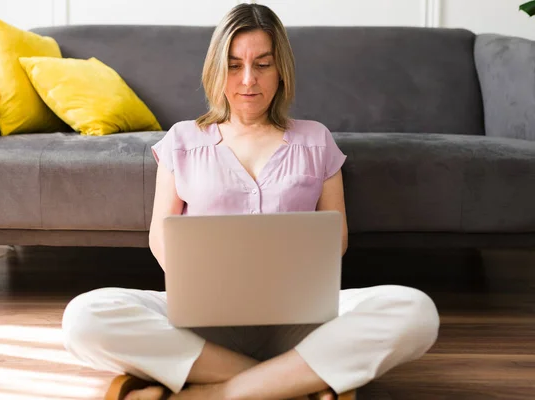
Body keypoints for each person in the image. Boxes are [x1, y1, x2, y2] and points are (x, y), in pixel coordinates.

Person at [61, 4, 440, 400]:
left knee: (415, 311)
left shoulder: (316, 140)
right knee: (84, 319)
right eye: (234, 64)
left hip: (299, 320)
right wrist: (203, 289)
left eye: (262, 64)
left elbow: (335, 240)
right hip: (202, 323)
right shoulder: (183, 140)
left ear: (281, 71)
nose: (248, 80)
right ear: (215, 69)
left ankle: (215, 393)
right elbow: (161, 237)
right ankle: (290, 384)